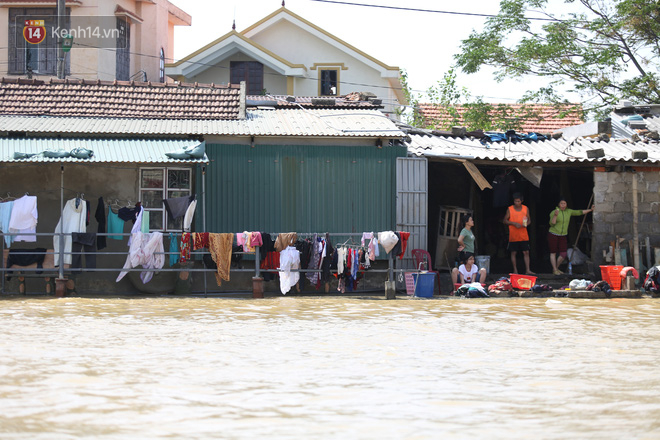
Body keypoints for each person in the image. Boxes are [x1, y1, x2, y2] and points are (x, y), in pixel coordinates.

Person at [548, 197, 595, 275]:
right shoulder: (554, 212)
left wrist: (590, 210)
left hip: (563, 235)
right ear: (558, 204)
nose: (563, 205)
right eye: (561, 203)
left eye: (564, 203)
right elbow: (551, 223)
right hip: (553, 234)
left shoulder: (568, 211)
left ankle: (555, 268)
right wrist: (555, 216)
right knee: (553, 252)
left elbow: (579, 212)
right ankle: (555, 269)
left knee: (563, 253)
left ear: (566, 204)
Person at [503, 193, 535, 275]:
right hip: (513, 235)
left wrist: (526, 224)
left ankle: (528, 270)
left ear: (522, 201)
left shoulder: (525, 208)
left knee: (526, 252)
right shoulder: (510, 209)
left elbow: (529, 220)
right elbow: (505, 220)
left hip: (523, 235)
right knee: (513, 252)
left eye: (518, 201)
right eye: (515, 201)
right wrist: (514, 223)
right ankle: (515, 270)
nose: (517, 203)